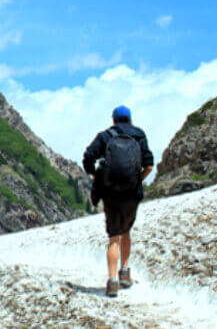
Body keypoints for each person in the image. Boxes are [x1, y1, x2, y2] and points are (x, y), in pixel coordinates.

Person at [83, 105, 154, 298]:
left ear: (113, 120)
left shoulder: (105, 136)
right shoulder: (139, 135)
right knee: (126, 231)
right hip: (132, 192)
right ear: (130, 119)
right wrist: (139, 178)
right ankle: (125, 272)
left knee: (113, 236)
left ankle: (112, 281)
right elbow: (149, 164)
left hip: (111, 192)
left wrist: (96, 176)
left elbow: (88, 157)